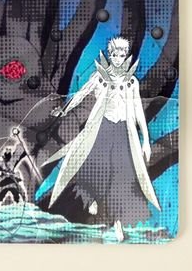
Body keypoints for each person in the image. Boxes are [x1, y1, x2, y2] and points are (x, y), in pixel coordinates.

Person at [47, 36, 160, 241]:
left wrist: (145, 139)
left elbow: (137, 110)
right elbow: (81, 93)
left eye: (121, 54)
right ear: (110, 54)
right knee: (95, 165)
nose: (118, 58)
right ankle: (93, 197)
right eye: (115, 54)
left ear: (125, 56)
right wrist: (64, 110)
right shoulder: (99, 77)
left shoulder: (131, 82)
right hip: (102, 128)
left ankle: (117, 222)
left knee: (123, 175)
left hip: (123, 131)